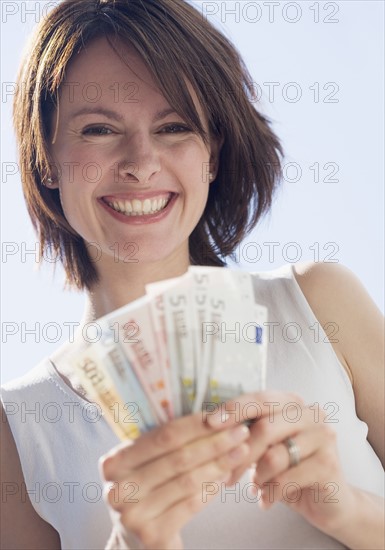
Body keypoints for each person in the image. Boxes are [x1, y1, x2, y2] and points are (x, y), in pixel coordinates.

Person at [1, 0, 384, 549]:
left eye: (174, 126)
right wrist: (136, 542)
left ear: (212, 153)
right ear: (46, 159)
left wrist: (349, 509)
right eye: (99, 129)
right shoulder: (17, 427)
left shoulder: (319, 303)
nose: (140, 162)